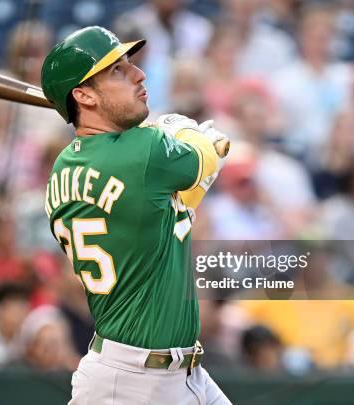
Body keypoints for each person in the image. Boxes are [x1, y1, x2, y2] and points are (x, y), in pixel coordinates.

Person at [41, 26, 231, 404]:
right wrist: (185, 130)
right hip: (134, 385)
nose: (138, 74)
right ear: (82, 95)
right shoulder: (142, 151)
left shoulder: (62, 166)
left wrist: (168, 142)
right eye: (116, 70)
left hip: (163, 373)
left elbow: (170, 210)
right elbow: (206, 154)